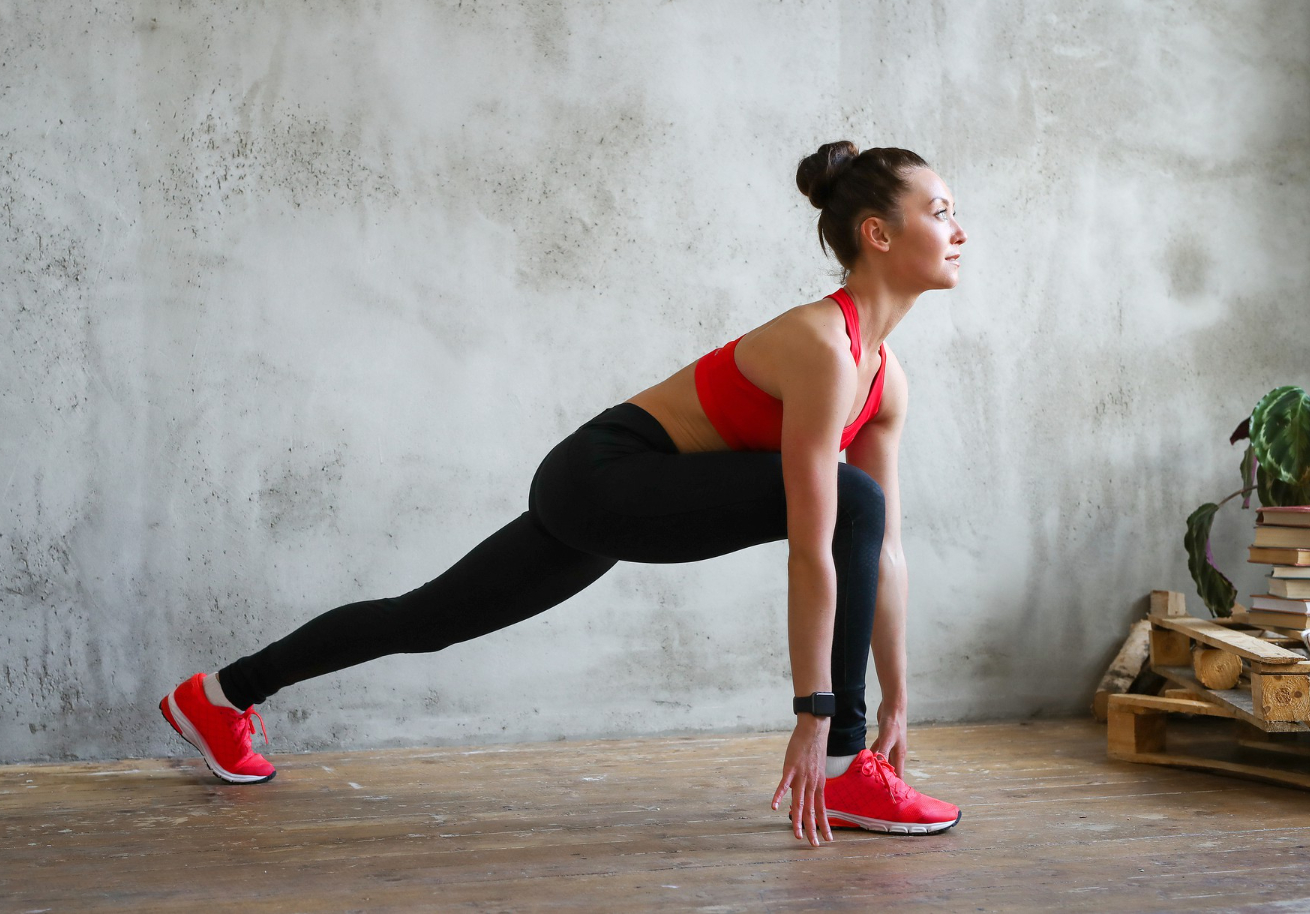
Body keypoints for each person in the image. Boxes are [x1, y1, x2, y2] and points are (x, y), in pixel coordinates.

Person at [160, 140, 967, 847]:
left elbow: (881, 550)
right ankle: (841, 769)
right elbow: (815, 539)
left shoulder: (885, 379)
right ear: (878, 233)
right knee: (848, 496)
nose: (960, 230)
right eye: (941, 211)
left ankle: (220, 695)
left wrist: (898, 697)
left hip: (630, 494)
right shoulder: (823, 345)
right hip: (605, 473)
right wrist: (818, 713)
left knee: (428, 618)